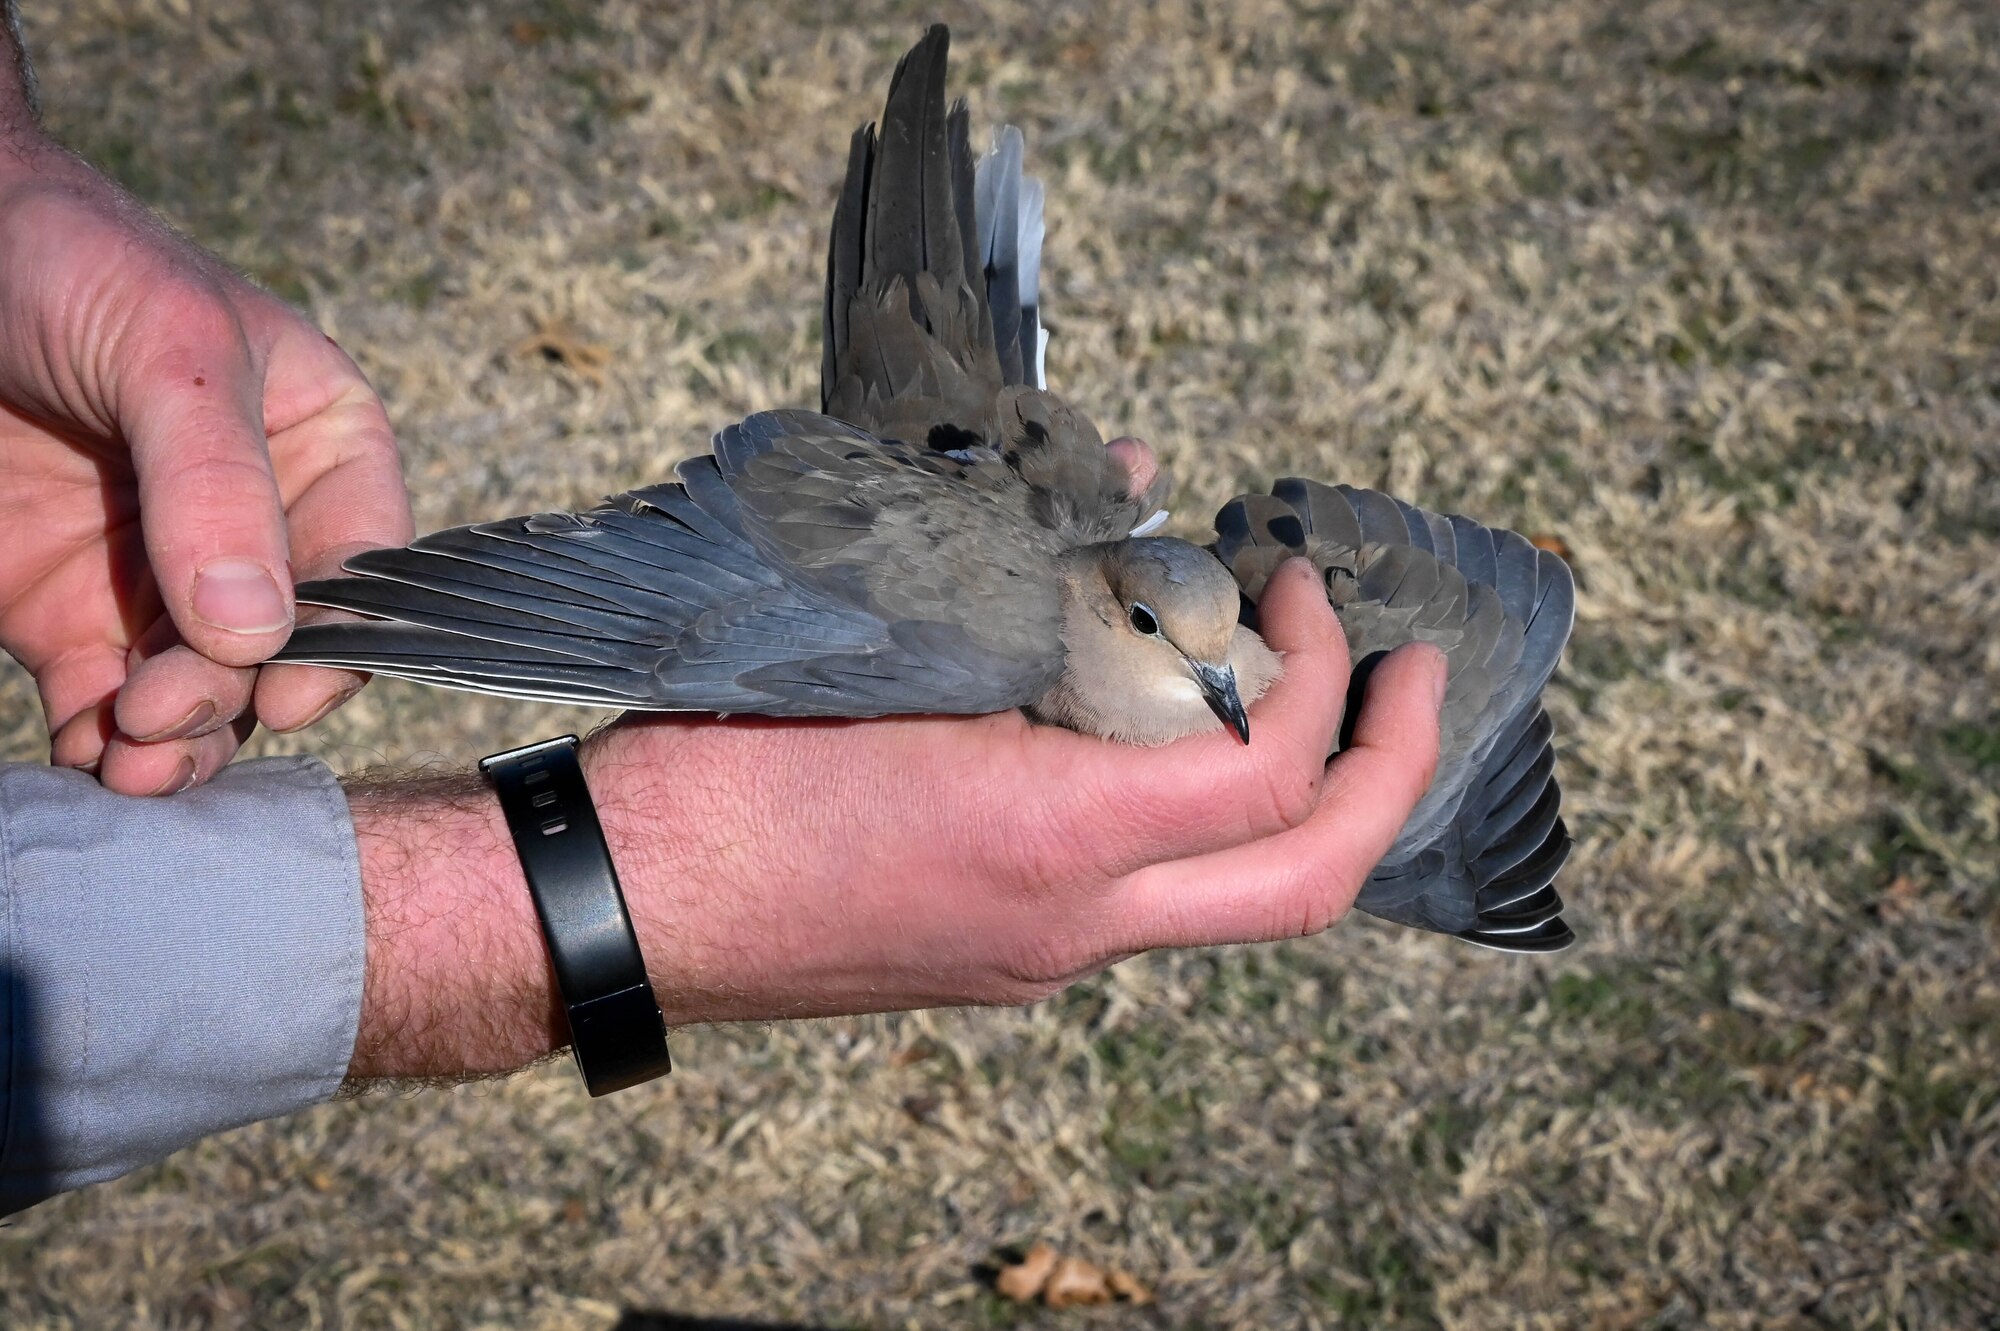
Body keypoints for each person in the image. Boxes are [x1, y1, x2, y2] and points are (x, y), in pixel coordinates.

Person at [0, 12, 1446, 1215]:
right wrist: (633, 883)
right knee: (929, 641)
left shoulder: (1175, 629)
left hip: (986, 471)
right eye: (1169, 645)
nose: (1219, 681)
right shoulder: (1013, 629)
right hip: (932, 518)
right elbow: (678, 626)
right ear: (1117, 612)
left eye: (1207, 661)